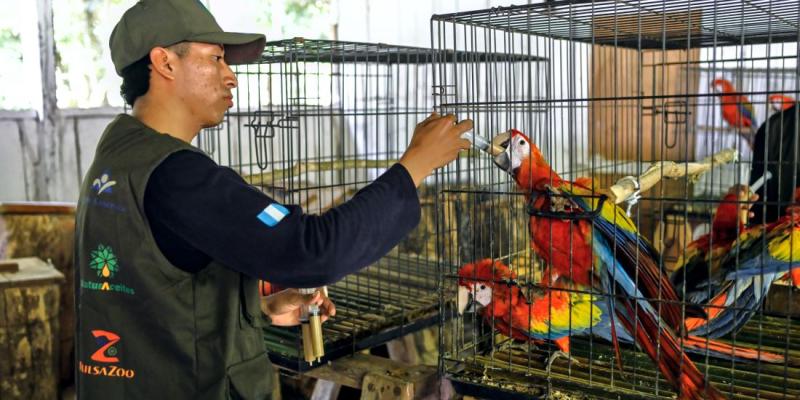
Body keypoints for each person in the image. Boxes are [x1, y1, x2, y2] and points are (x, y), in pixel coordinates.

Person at [73, 0, 473, 399]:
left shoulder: (117, 159)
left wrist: (255, 311)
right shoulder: (176, 175)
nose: (231, 78)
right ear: (165, 62)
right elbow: (312, 249)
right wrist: (414, 167)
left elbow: (155, 294)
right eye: (215, 59)